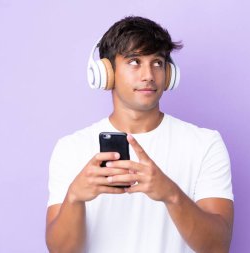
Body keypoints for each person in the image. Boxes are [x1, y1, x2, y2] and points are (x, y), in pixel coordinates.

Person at [46, 16, 234, 253]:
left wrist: (171, 194)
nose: (148, 75)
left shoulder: (205, 143)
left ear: (169, 73)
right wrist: (75, 198)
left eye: (157, 63)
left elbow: (218, 247)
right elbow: (61, 251)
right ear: (106, 72)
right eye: (134, 62)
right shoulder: (71, 148)